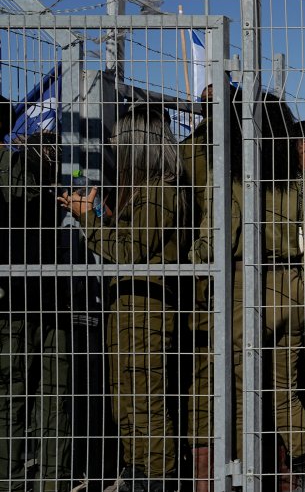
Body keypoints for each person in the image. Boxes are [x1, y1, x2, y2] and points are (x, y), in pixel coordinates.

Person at [186, 92, 305, 492]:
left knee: (243, 393)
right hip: (292, 285)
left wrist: (184, 263)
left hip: (246, 283)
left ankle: (248, 477)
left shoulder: (231, 174)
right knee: (285, 393)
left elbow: (218, 238)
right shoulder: (298, 179)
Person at [59, 104, 188, 492]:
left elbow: (131, 250)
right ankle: (139, 472)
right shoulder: (147, 191)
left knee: (144, 403)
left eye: (120, 139)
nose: (114, 146)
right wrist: (103, 214)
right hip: (130, 308)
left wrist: (89, 219)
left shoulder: (159, 192)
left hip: (144, 310)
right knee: (126, 402)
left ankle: (156, 478)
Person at [0, 132, 73, 492]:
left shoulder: (34, 178)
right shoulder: (44, 181)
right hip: (38, 298)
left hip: (26, 300)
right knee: (46, 394)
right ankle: (47, 481)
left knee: (29, 395)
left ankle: (21, 481)